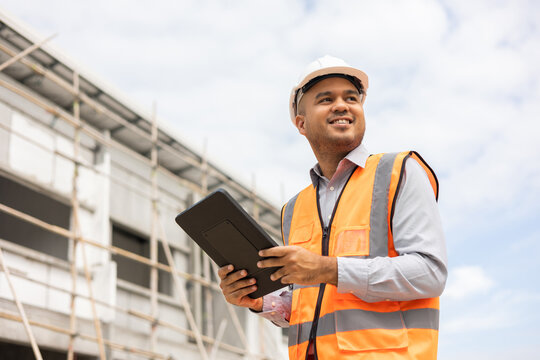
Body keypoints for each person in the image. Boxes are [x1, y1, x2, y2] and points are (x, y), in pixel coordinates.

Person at [218, 55, 447, 360]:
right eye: (326, 99)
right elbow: (308, 301)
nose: (342, 105)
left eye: (351, 98)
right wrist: (258, 301)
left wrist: (328, 268)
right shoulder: (294, 208)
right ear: (301, 123)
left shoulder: (399, 172)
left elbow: (430, 273)